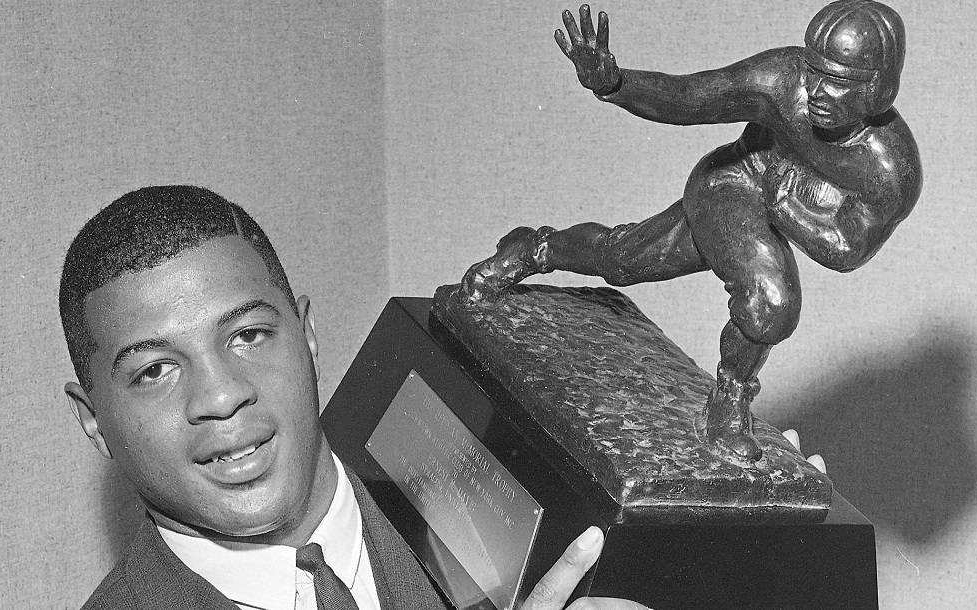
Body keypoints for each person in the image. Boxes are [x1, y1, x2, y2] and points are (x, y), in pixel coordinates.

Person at [61, 185, 668, 610]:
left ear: (309, 337)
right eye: (155, 372)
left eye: (247, 336)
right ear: (94, 424)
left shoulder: (500, 506)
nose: (221, 396)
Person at [462, 1, 922, 462]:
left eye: (839, 80)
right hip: (730, 183)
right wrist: (616, 84)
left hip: (769, 207)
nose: (817, 90)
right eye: (814, 70)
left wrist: (785, 209)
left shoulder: (890, 170)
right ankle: (537, 249)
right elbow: (694, 98)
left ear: (878, 88)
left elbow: (846, 249)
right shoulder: (783, 82)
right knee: (760, 297)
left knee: (629, 262)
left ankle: (537, 248)